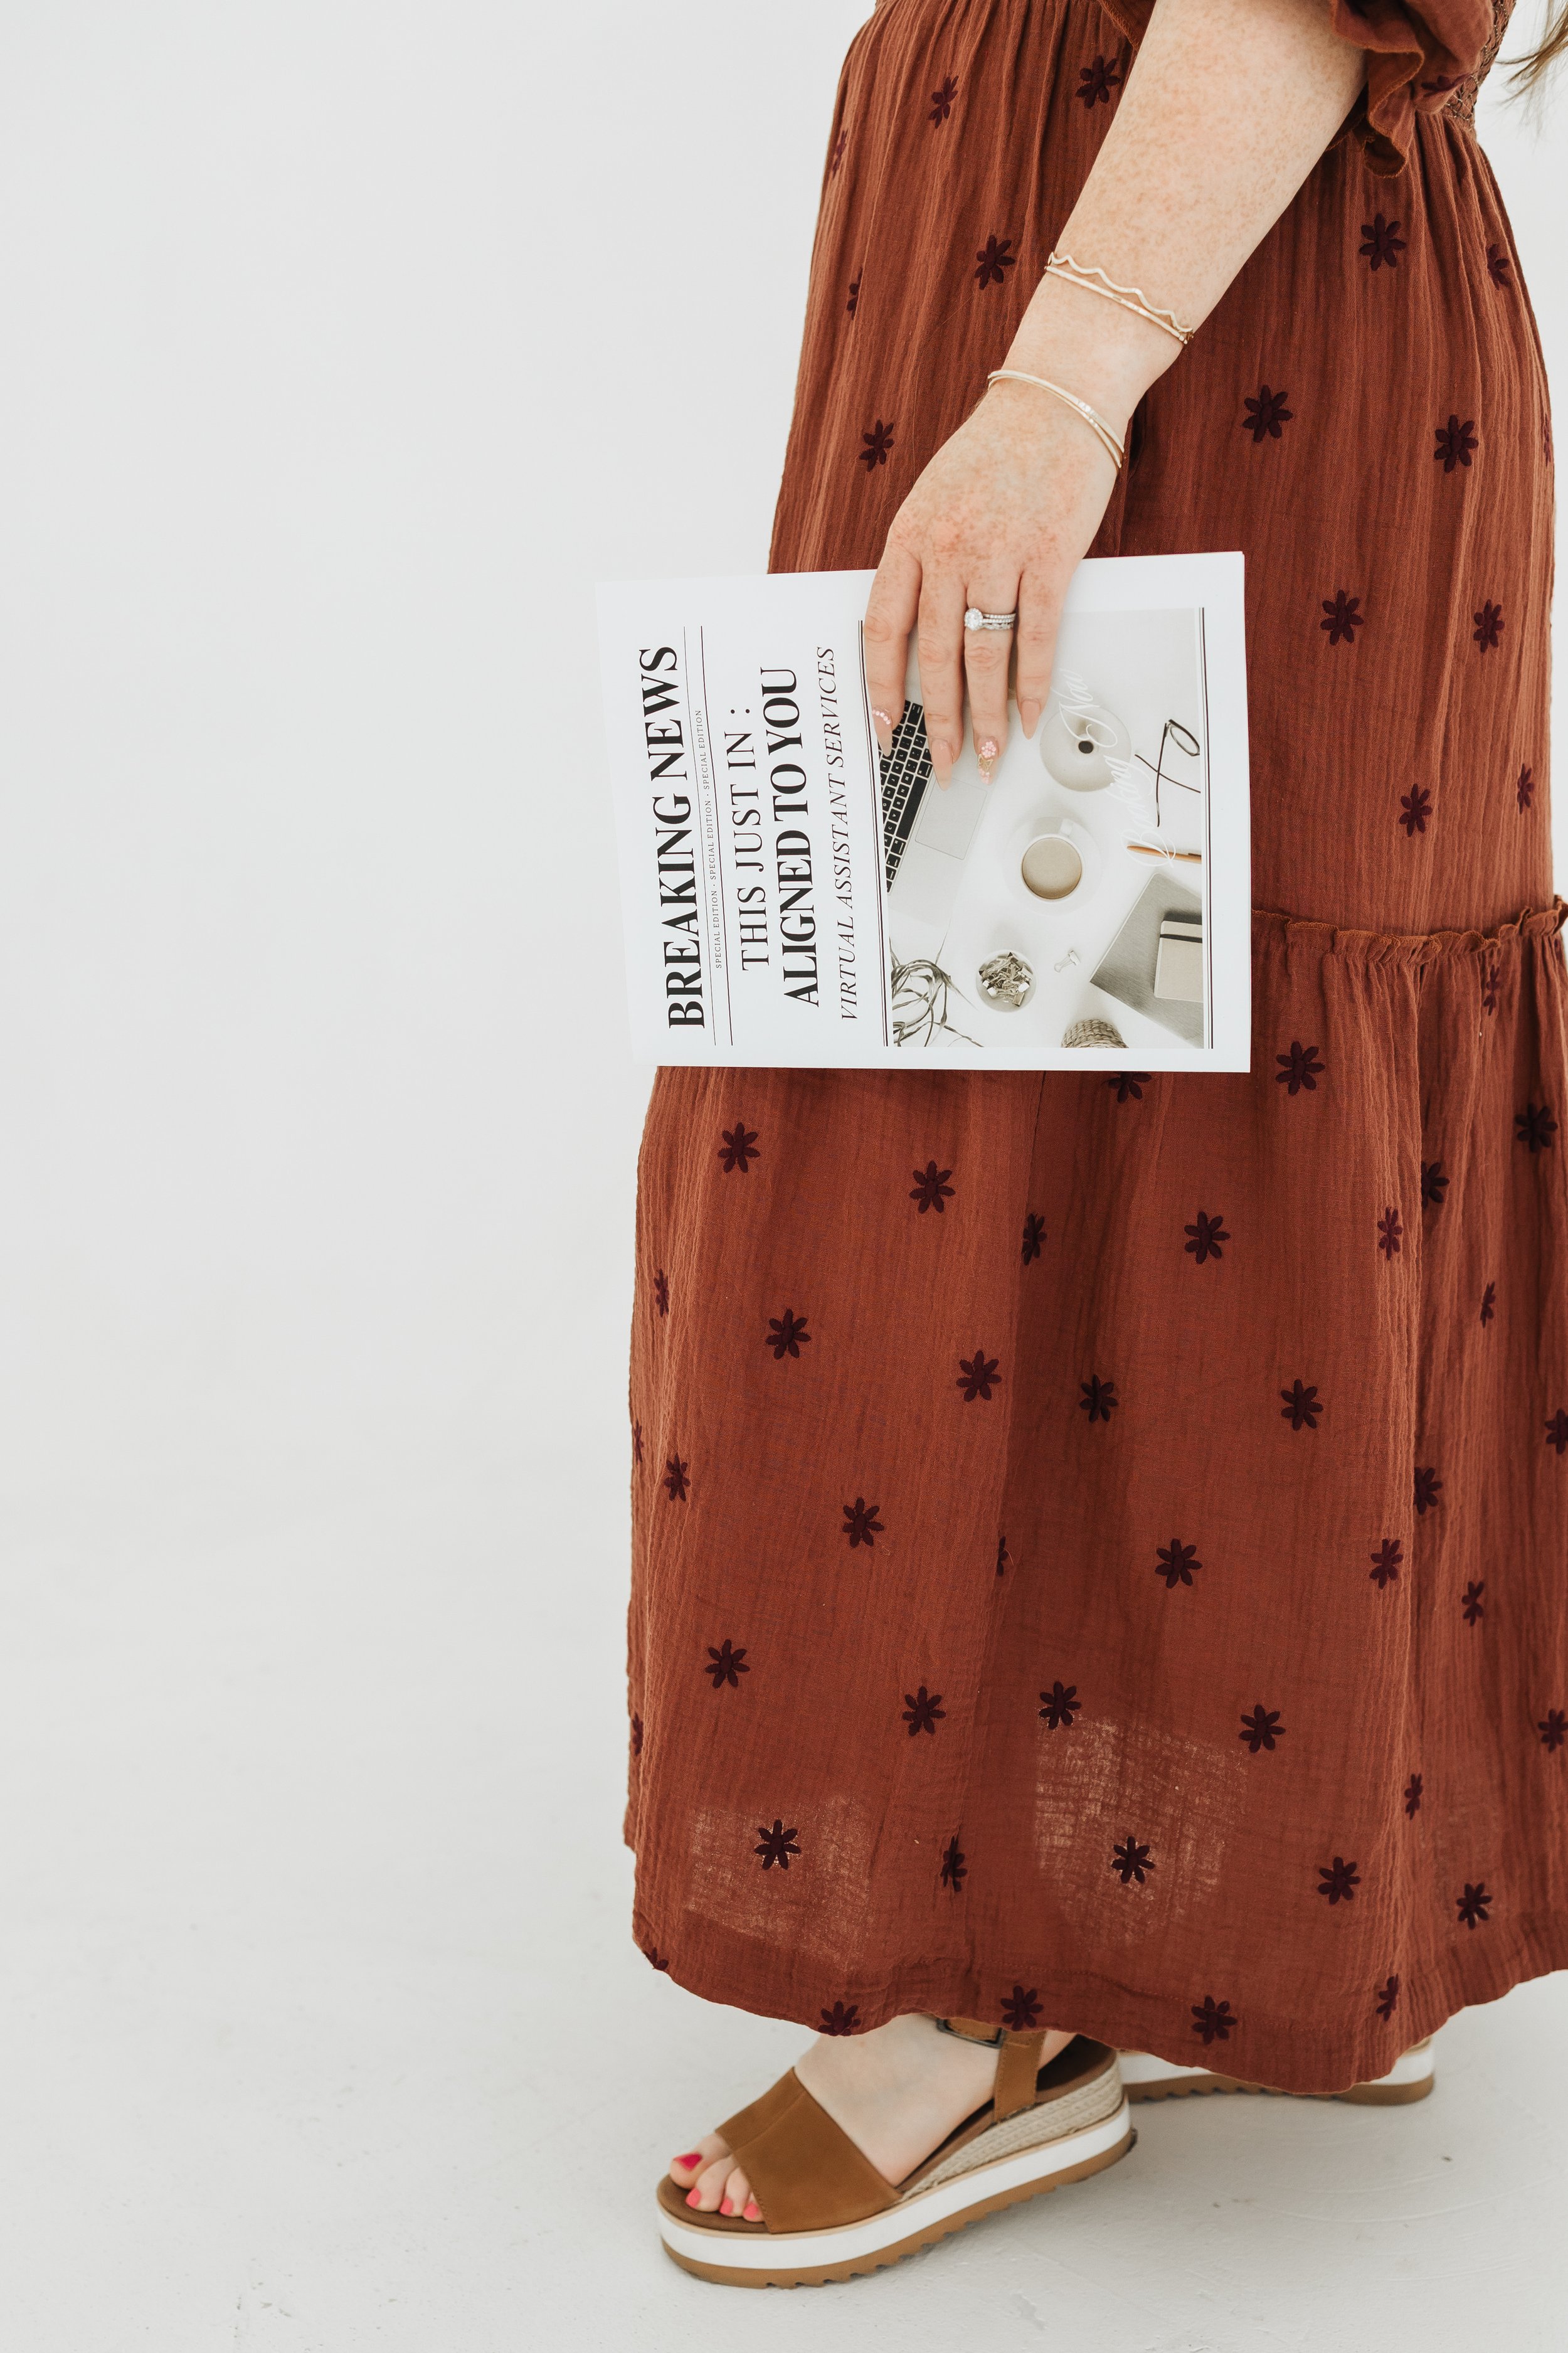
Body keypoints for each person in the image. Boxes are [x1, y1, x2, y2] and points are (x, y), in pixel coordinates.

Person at [628, 0, 1566, 2288]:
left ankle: (977, 1999)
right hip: (1064, 302)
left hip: (1178, 350)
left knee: (1068, 1088)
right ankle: (1221, 1909)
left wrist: (1055, 390)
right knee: (1029, 1072)